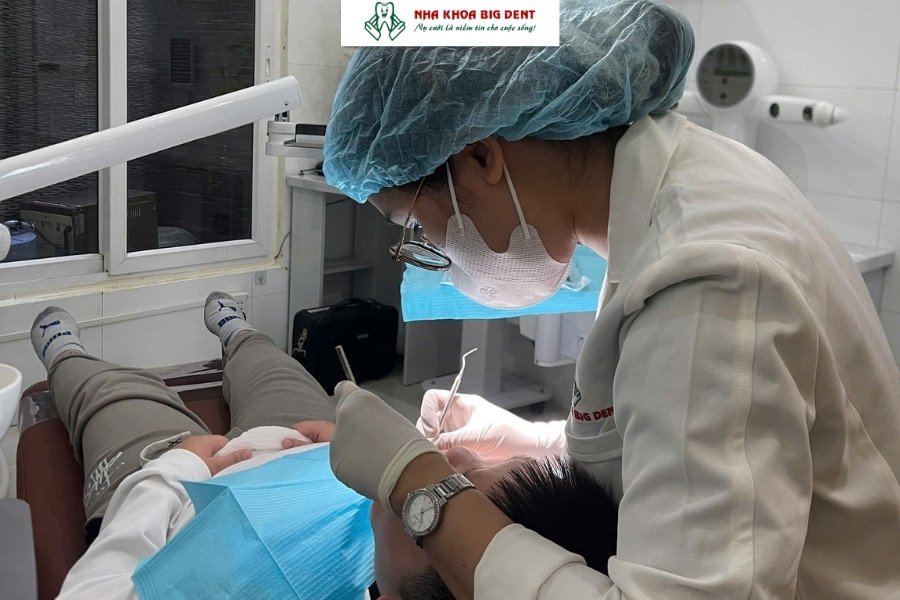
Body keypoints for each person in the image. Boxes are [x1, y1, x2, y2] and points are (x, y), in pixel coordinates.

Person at [320, 0, 900, 598]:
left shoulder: (707, 276)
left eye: (417, 225)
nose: (430, 248)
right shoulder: (666, 189)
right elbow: (688, 436)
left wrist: (417, 484)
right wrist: (546, 442)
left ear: (482, 157)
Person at [30, 294, 618, 600]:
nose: (454, 456)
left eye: (438, 497)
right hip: (306, 450)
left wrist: (171, 472)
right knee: (278, 373)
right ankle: (241, 336)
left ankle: (68, 359)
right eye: (493, 463)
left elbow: (100, 584)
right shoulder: (405, 561)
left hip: (182, 495)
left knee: (115, 404)